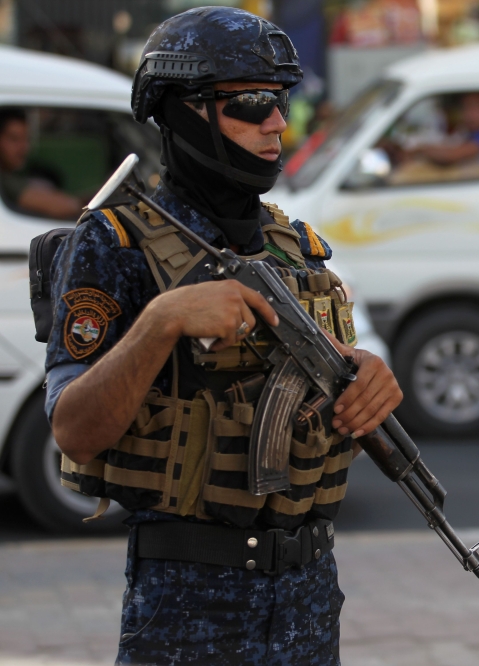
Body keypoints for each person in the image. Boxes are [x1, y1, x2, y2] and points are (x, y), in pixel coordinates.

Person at [44, 8, 402, 665]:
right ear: (180, 112)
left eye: (282, 100)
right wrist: (162, 321)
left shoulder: (295, 246)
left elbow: (318, 398)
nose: (277, 123)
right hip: (190, 605)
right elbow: (73, 430)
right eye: (251, 102)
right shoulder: (113, 243)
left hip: (310, 597)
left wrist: (365, 377)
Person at [0, 108, 82, 219]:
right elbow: (65, 207)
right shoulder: (6, 181)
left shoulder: (13, 175)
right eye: (14, 139)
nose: (24, 148)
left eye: (27, 139)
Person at [405, 92, 479, 166]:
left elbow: (452, 155)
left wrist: (420, 149)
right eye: (466, 108)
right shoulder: (472, 133)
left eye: (476, 108)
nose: (469, 114)